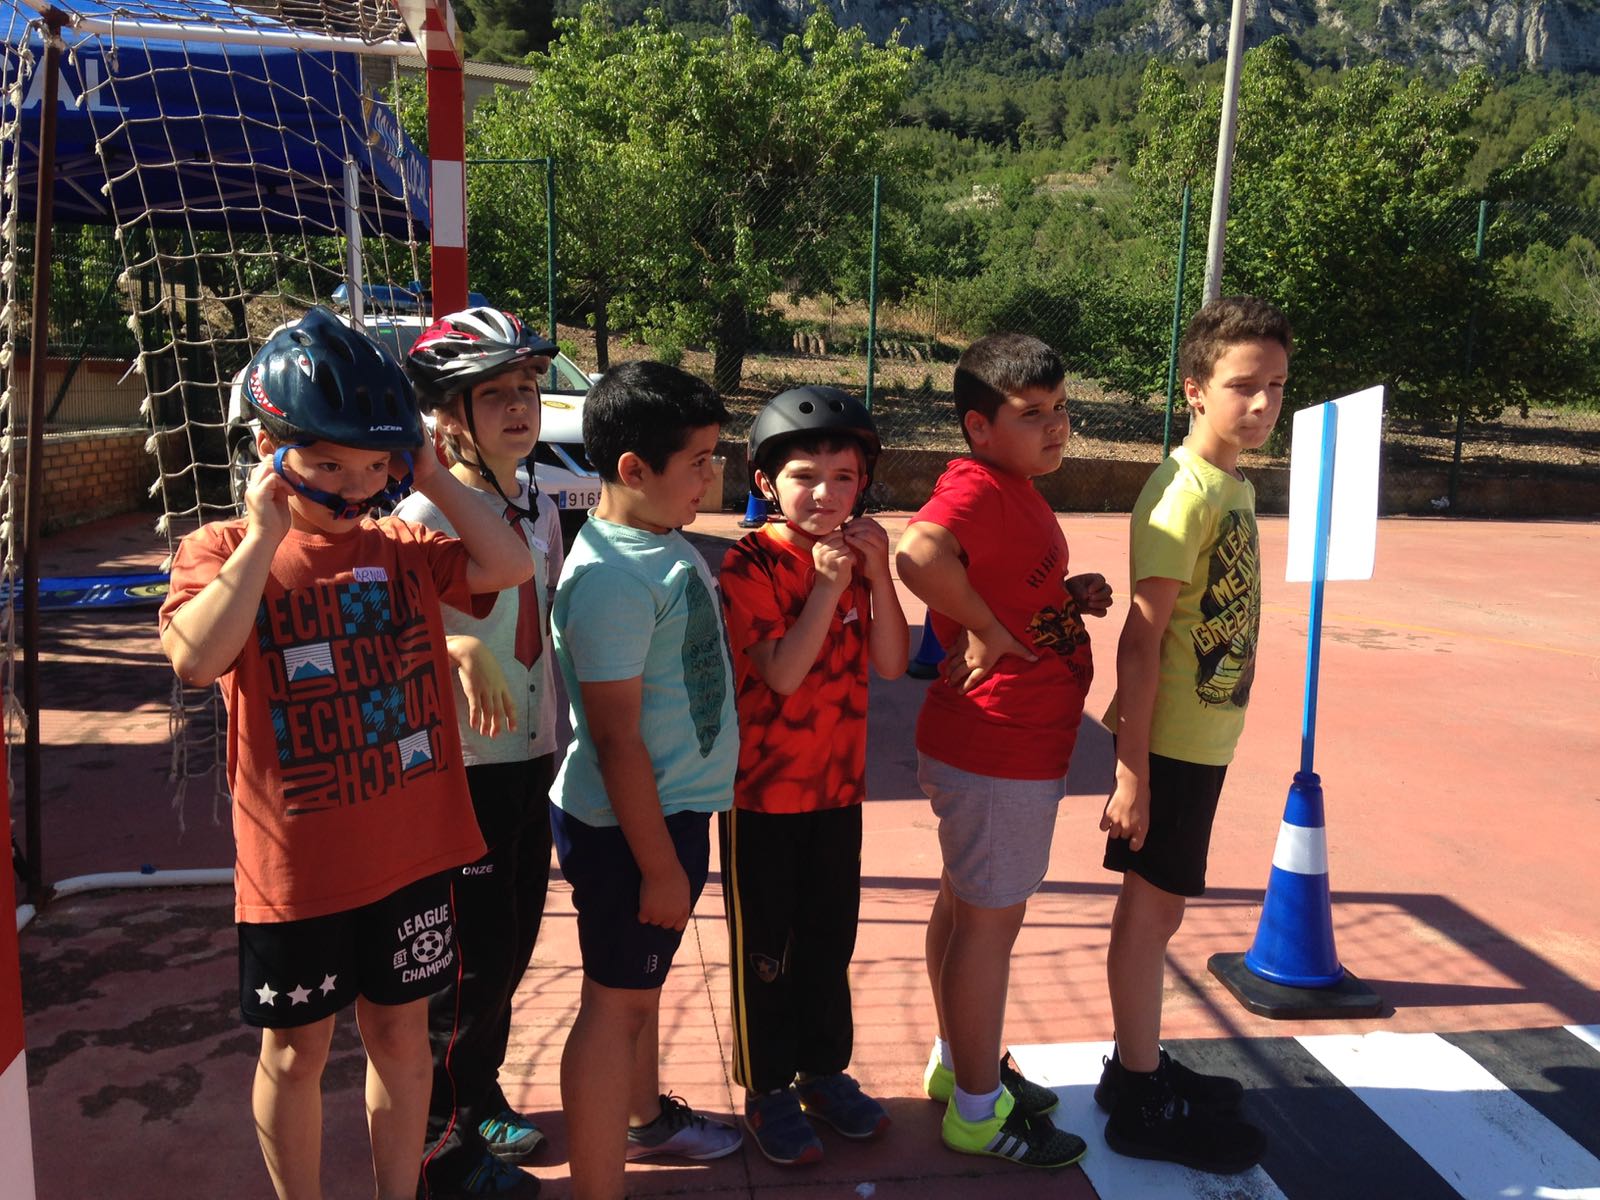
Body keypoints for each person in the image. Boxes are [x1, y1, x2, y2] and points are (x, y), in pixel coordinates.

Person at [158, 308, 533, 1200]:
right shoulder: (220, 550)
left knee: (402, 1040)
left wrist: (430, 473)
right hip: (299, 869)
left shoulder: (402, 545)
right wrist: (263, 537)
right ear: (268, 448)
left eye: (373, 466)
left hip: (412, 854)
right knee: (295, 1052)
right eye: (329, 464)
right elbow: (197, 659)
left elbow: (508, 565)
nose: (356, 487)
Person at [894, 332, 1111, 1169]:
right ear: (979, 427)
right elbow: (917, 552)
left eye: (1061, 409)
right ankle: (978, 1115)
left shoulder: (1013, 488)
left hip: (1004, 745)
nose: (1055, 427)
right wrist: (984, 627)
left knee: (964, 912)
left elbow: (1002, 582)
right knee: (989, 930)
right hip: (997, 748)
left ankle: (960, 1069)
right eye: (1032, 414)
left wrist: (1061, 596)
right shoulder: (978, 486)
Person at [1095, 295, 1290, 1174]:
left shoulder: (1230, 484)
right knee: (1150, 914)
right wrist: (1131, 771)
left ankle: (1131, 1066)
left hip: (1200, 738)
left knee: (1161, 908)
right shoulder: (1182, 494)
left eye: (1275, 386)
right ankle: (1140, 1098)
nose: (1262, 403)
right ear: (1195, 390)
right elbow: (1140, 642)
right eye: (1243, 386)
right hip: (1168, 742)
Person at [548, 360, 743, 1200]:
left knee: (637, 991)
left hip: (664, 817)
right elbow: (616, 740)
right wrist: (659, 864)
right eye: (697, 461)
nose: (712, 475)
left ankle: (645, 1119)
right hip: (632, 831)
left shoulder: (655, 540)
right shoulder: (610, 581)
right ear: (634, 468)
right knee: (614, 1007)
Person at [718, 387, 910, 1166]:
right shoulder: (751, 561)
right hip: (763, 795)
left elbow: (892, 663)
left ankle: (824, 1071)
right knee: (767, 949)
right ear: (766, 482)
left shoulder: (856, 559)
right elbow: (783, 674)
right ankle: (767, 1087)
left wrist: (879, 575)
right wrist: (829, 586)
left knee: (830, 939)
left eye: (844, 477)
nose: (826, 493)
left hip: (838, 788)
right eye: (805, 476)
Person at [397, 307, 563, 1200]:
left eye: (527, 388)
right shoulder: (424, 511)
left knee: (513, 944)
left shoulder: (538, 501)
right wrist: (455, 646)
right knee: (467, 966)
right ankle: (439, 1146)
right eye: (493, 393)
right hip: (463, 769)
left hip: (529, 757)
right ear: (446, 417)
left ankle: (479, 1095)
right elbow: (383, 632)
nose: (519, 406)